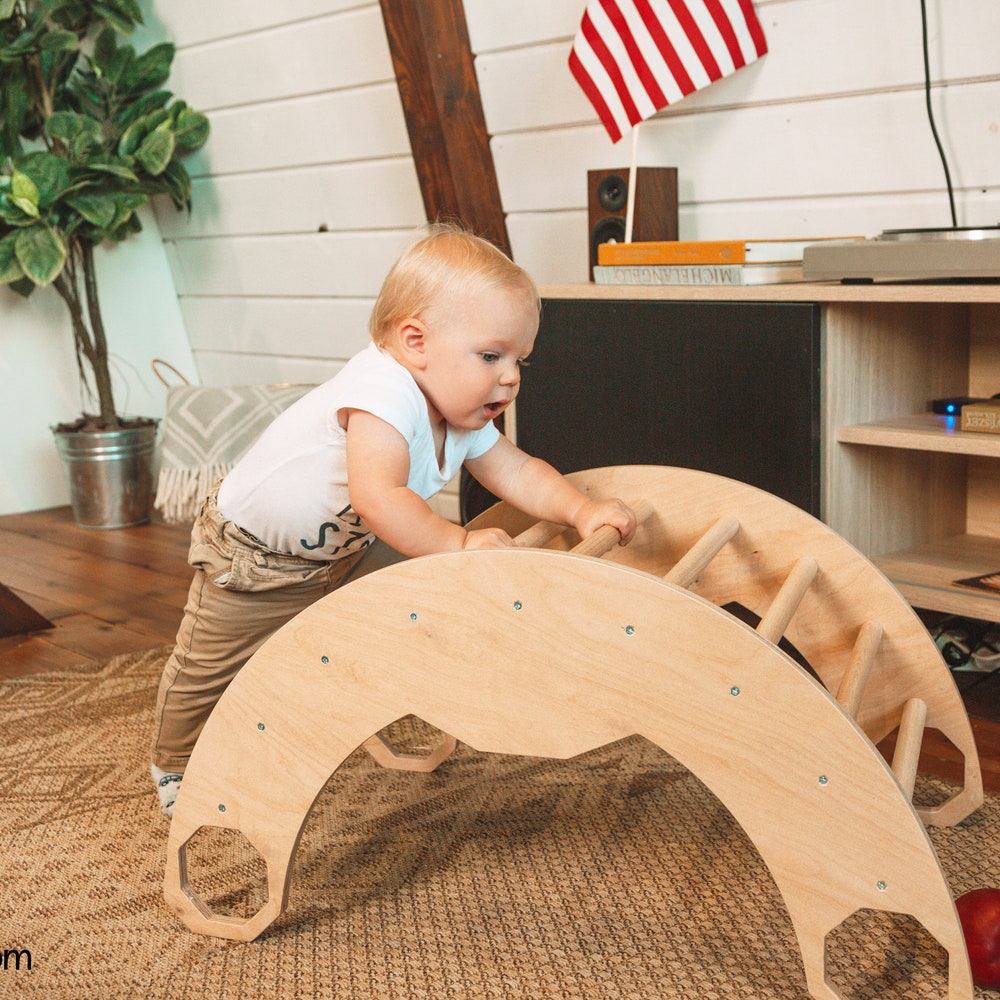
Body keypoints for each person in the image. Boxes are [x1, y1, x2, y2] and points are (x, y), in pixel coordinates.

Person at [150, 223, 638, 816]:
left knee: (414, 604)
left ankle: (401, 694)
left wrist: (581, 509)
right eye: (491, 356)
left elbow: (517, 471)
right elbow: (379, 498)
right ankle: (174, 763)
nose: (510, 376)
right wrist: (459, 542)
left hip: (348, 549)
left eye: (519, 360)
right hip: (255, 558)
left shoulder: (462, 411)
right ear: (415, 342)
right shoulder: (382, 392)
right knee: (207, 668)